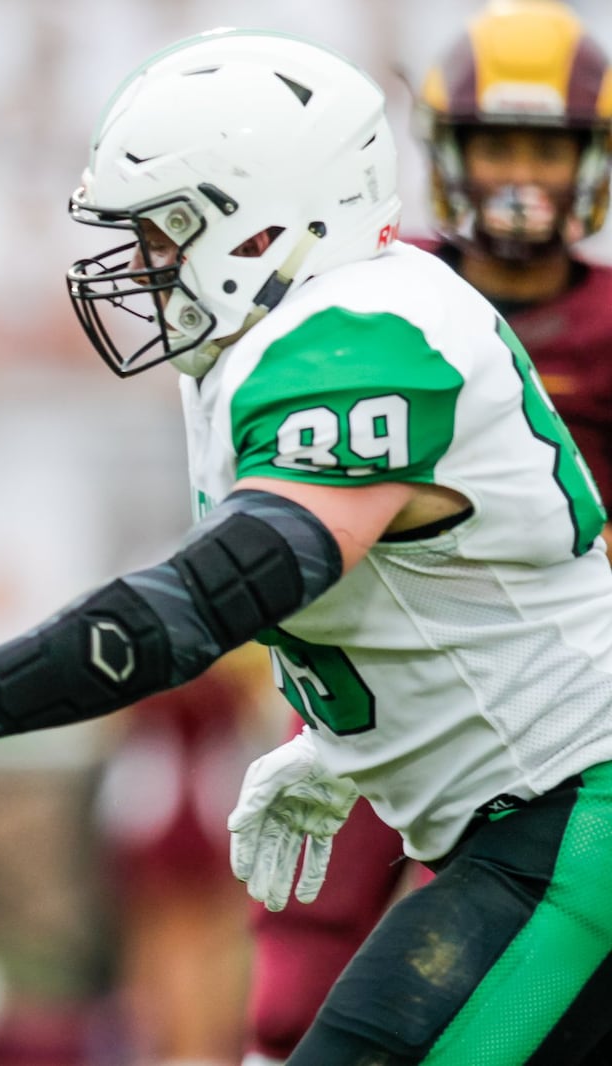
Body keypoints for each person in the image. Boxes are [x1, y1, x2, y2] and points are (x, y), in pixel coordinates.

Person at [0, 27, 612, 1065]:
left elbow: (216, 593)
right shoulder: (292, 335)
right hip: (526, 816)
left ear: (266, 224)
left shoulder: (364, 336)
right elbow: (443, 591)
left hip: (571, 815)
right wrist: (344, 745)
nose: (138, 264)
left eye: (164, 230)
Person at [242, 4, 612, 1061]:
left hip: (556, 700)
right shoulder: (387, 285)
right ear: (448, 150)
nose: (518, 173)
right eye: (498, 140)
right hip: (384, 675)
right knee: (289, 1000)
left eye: (545, 147)